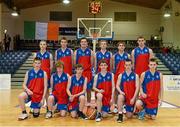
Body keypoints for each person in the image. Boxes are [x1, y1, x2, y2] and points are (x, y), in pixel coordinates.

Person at [74, 37, 94, 104]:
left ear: (87, 43)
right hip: (79, 73)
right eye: (82, 42)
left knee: (88, 89)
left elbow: (92, 63)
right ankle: (77, 103)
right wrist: (77, 71)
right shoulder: (76, 52)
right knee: (78, 88)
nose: (83, 43)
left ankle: (88, 103)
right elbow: (74, 63)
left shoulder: (90, 52)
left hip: (87, 72)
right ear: (80, 43)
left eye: (85, 42)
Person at [34, 41, 53, 107]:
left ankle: (48, 106)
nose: (42, 46)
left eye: (44, 44)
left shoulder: (49, 55)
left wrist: (47, 73)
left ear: (46, 46)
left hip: (46, 75)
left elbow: (51, 66)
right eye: (41, 44)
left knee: (47, 91)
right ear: (39, 45)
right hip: (38, 76)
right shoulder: (36, 54)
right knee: (37, 91)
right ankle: (36, 105)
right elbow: (34, 66)